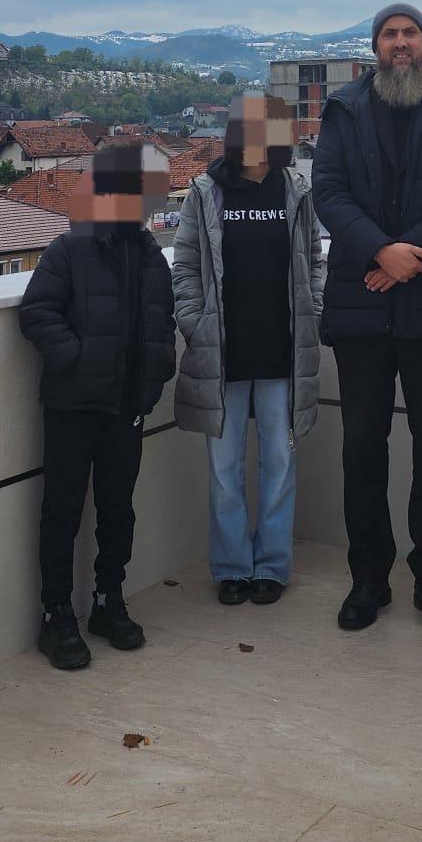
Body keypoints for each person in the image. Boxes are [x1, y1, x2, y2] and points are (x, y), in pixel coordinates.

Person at [312, 3, 422, 636]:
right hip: (361, 307)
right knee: (361, 449)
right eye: (389, 34)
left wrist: (407, 257)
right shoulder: (343, 109)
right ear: (374, 47)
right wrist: (379, 251)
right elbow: (328, 191)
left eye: (409, 33)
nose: (399, 43)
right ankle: (368, 578)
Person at [18, 141, 175, 670]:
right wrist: (78, 360)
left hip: (126, 408)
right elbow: (37, 313)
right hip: (72, 406)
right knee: (62, 512)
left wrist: (156, 373)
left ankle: (109, 602)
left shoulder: (151, 257)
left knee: (117, 510)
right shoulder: (70, 249)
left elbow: (162, 326)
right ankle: (57, 615)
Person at [172, 92, 325, 604]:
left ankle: (272, 568)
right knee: (224, 469)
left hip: (283, 351)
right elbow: (185, 267)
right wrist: (195, 323)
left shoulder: (295, 191)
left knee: (279, 465)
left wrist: (313, 312)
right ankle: (233, 567)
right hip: (222, 354)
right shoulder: (206, 192)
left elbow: (314, 260)